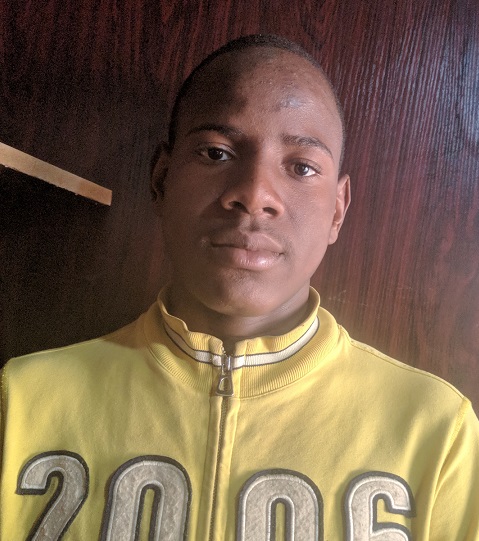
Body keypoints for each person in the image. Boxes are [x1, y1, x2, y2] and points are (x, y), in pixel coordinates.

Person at [1, 34, 478, 540]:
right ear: (161, 179)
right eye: (217, 153)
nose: (254, 194)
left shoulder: (435, 430)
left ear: (337, 210)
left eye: (301, 166)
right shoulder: (24, 402)